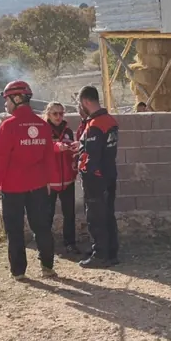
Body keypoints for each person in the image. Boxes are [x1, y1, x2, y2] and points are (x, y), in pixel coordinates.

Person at [0, 80, 57, 282]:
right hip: (38, 186)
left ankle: (18, 271)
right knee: (42, 227)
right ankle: (47, 266)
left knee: (15, 230)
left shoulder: (8, 126)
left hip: (13, 187)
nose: (6, 105)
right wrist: (49, 180)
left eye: (7, 100)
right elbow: (49, 157)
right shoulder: (43, 125)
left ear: (17, 99)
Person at [73, 86, 119, 268]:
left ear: (85, 102)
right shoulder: (110, 120)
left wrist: (82, 166)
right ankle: (111, 252)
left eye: (79, 104)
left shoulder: (94, 124)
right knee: (108, 214)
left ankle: (100, 255)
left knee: (96, 216)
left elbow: (91, 157)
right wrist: (81, 145)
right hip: (109, 173)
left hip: (96, 178)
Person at [43, 101, 80, 255]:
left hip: (67, 180)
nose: (59, 116)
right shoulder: (42, 130)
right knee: (47, 214)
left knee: (69, 214)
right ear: (48, 114)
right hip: (49, 181)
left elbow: (72, 153)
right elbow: (40, 150)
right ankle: (45, 244)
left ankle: (70, 243)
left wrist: (73, 148)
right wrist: (56, 147)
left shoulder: (68, 131)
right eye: (55, 113)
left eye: (61, 113)